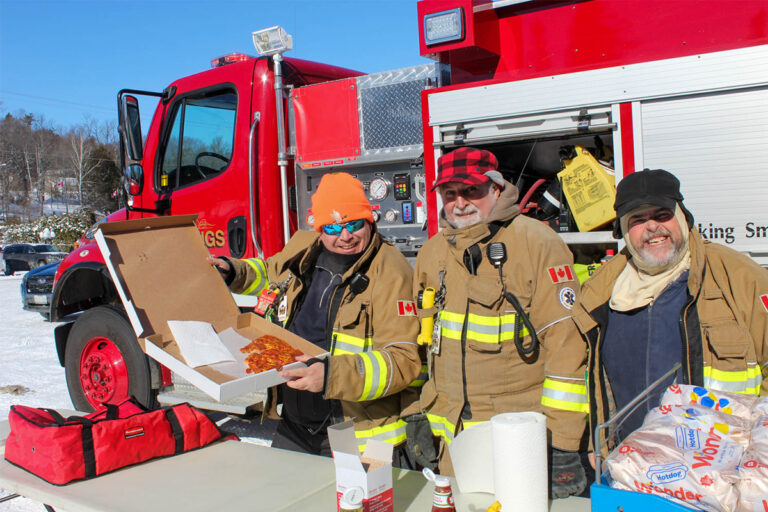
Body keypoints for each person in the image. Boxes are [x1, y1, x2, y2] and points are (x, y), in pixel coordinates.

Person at [412, 147, 589, 498]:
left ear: (496, 188)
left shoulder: (537, 242)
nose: (460, 203)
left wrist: (563, 444)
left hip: (514, 442)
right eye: (450, 194)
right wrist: (417, 411)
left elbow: (567, 347)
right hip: (449, 445)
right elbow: (423, 340)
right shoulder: (432, 252)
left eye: (471, 191)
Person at [210, 172, 421, 464]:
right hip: (295, 424)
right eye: (333, 227)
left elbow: (403, 361)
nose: (345, 236)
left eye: (354, 224)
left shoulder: (391, 271)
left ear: (370, 220)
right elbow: (269, 272)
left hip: (355, 433)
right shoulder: (303, 245)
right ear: (319, 228)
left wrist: (331, 375)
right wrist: (233, 272)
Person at [572, 169, 768, 457]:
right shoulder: (598, 295)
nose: (652, 227)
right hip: (628, 466)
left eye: (662, 214)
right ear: (624, 231)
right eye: (637, 220)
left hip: (720, 471)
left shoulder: (741, 278)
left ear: (683, 218)